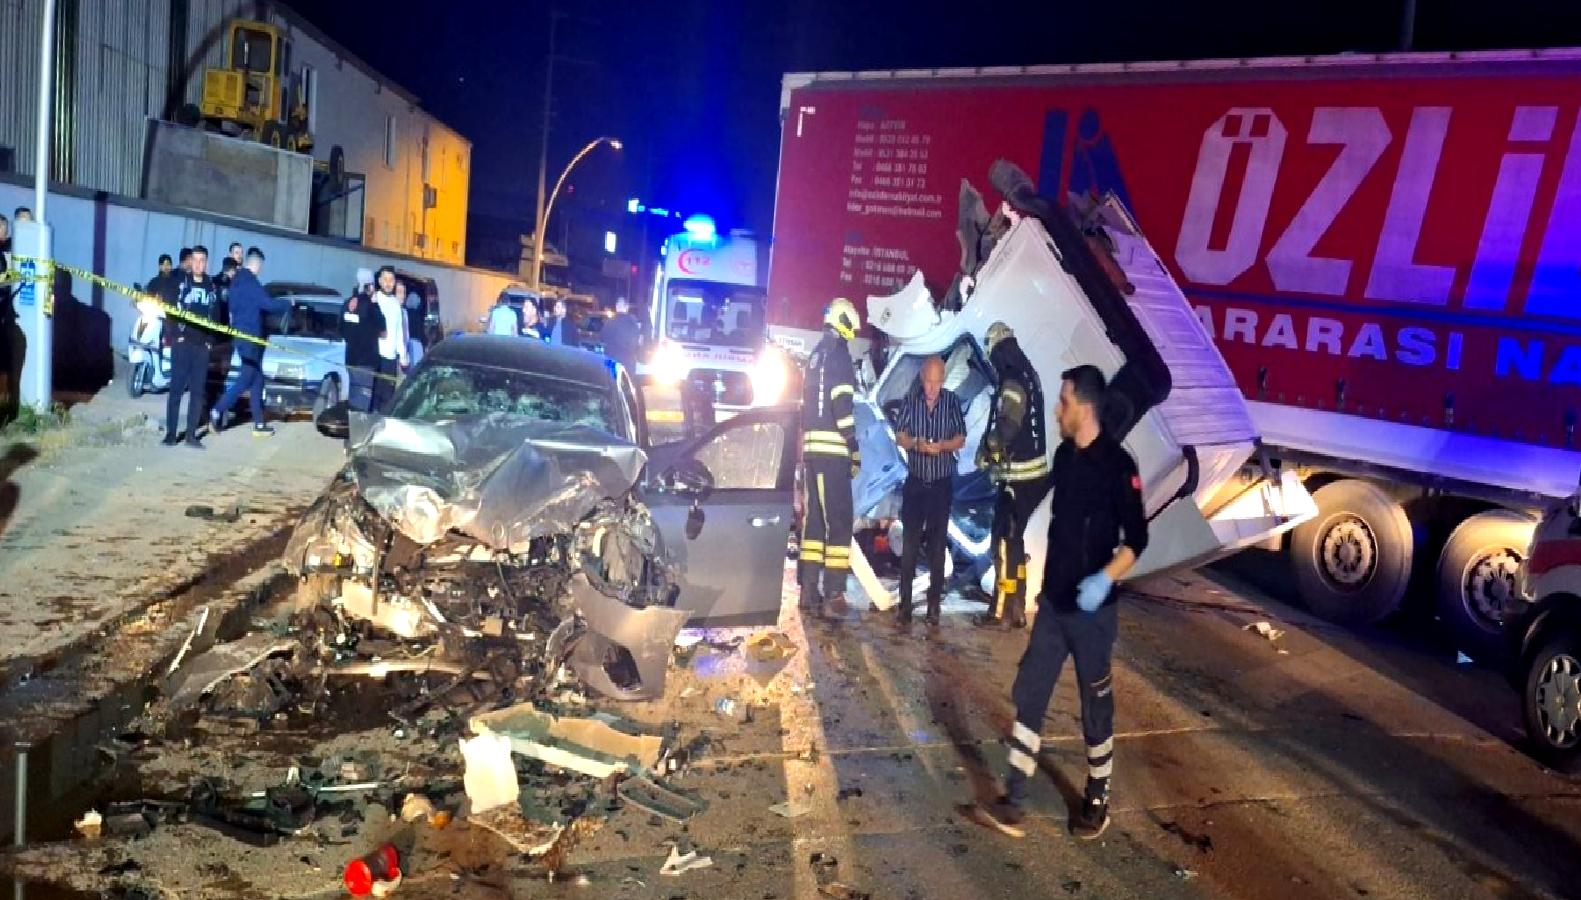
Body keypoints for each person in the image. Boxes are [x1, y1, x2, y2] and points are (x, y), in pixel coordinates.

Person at [979, 365, 1148, 841]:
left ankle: (1097, 796)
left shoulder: (1120, 468)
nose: (1057, 410)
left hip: (1093, 613)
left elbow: (1138, 539)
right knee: (1030, 692)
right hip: (1053, 606)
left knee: (1096, 706)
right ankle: (1014, 797)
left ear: (1084, 408)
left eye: (1063, 402)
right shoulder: (1065, 457)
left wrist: (1105, 579)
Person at [975, 322, 1052, 629]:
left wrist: (989, 451)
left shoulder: (1012, 381)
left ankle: (1001, 611)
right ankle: (1017, 608)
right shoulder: (1029, 376)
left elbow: (1007, 427)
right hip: (1034, 478)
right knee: (1016, 545)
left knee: (1003, 544)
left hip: (1018, 478)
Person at [797, 297, 862, 619]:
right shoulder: (840, 356)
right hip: (832, 452)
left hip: (811, 450)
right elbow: (842, 407)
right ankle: (834, 594)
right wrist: (853, 447)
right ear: (844, 322)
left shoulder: (815, 355)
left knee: (814, 523)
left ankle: (808, 591)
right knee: (839, 521)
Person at [893, 355, 966, 627]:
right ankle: (905, 606)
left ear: (943, 380)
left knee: (937, 547)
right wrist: (915, 444)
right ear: (922, 379)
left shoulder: (952, 402)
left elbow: (961, 437)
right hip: (915, 484)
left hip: (940, 486)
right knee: (910, 546)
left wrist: (943, 447)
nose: (933, 388)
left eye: (938, 383)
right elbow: (899, 435)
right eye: (929, 382)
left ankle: (934, 607)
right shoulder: (910, 401)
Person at [211, 247, 288, 436]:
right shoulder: (251, 283)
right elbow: (268, 305)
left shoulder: (236, 281)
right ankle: (217, 410)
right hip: (250, 338)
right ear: (257, 264)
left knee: (257, 379)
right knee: (247, 378)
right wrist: (287, 304)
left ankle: (259, 424)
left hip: (240, 336)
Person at [162, 246, 221, 448]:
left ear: (206, 263)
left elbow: (216, 317)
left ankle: (191, 436)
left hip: (201, 348)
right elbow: (169, 310)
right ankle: (171, 434)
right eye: (195, 260)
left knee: (197, 393)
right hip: (182, 344)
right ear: (190, 262)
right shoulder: (181, 283)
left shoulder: (212, 288)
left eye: (202, 260)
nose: (198, 264)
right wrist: (176, 336)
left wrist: (209, 342)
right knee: (176, 391)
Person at [341, 268, 384, 413]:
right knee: (363, 402)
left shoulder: (347, 304)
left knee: (352, 399)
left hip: (350, 358)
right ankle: (358, 431)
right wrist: (376, 304)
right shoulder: (371, 307)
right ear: (369, 286)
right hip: (367, 361)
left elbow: (340, 329)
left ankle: (349, 427)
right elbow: (383, 329)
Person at [371, 266, 408, 412]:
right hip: (375, 356)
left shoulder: (395, 304)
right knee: (374, 396)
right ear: (380, 281)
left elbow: (400, 332)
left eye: (391, 280)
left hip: (390, 359)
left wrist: (403, 356)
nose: (388, 283)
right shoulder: (374, 300)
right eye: (385, 279)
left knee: (388, 398)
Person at [602, 296, 642, 376]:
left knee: (612, 385)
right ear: (626, 307)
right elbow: (637, 343)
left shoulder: (609, 322)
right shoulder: (632, 322)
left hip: (611, 363)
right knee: (627, 386)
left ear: (617, 307)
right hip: (627, 363)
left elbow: (602, 338)